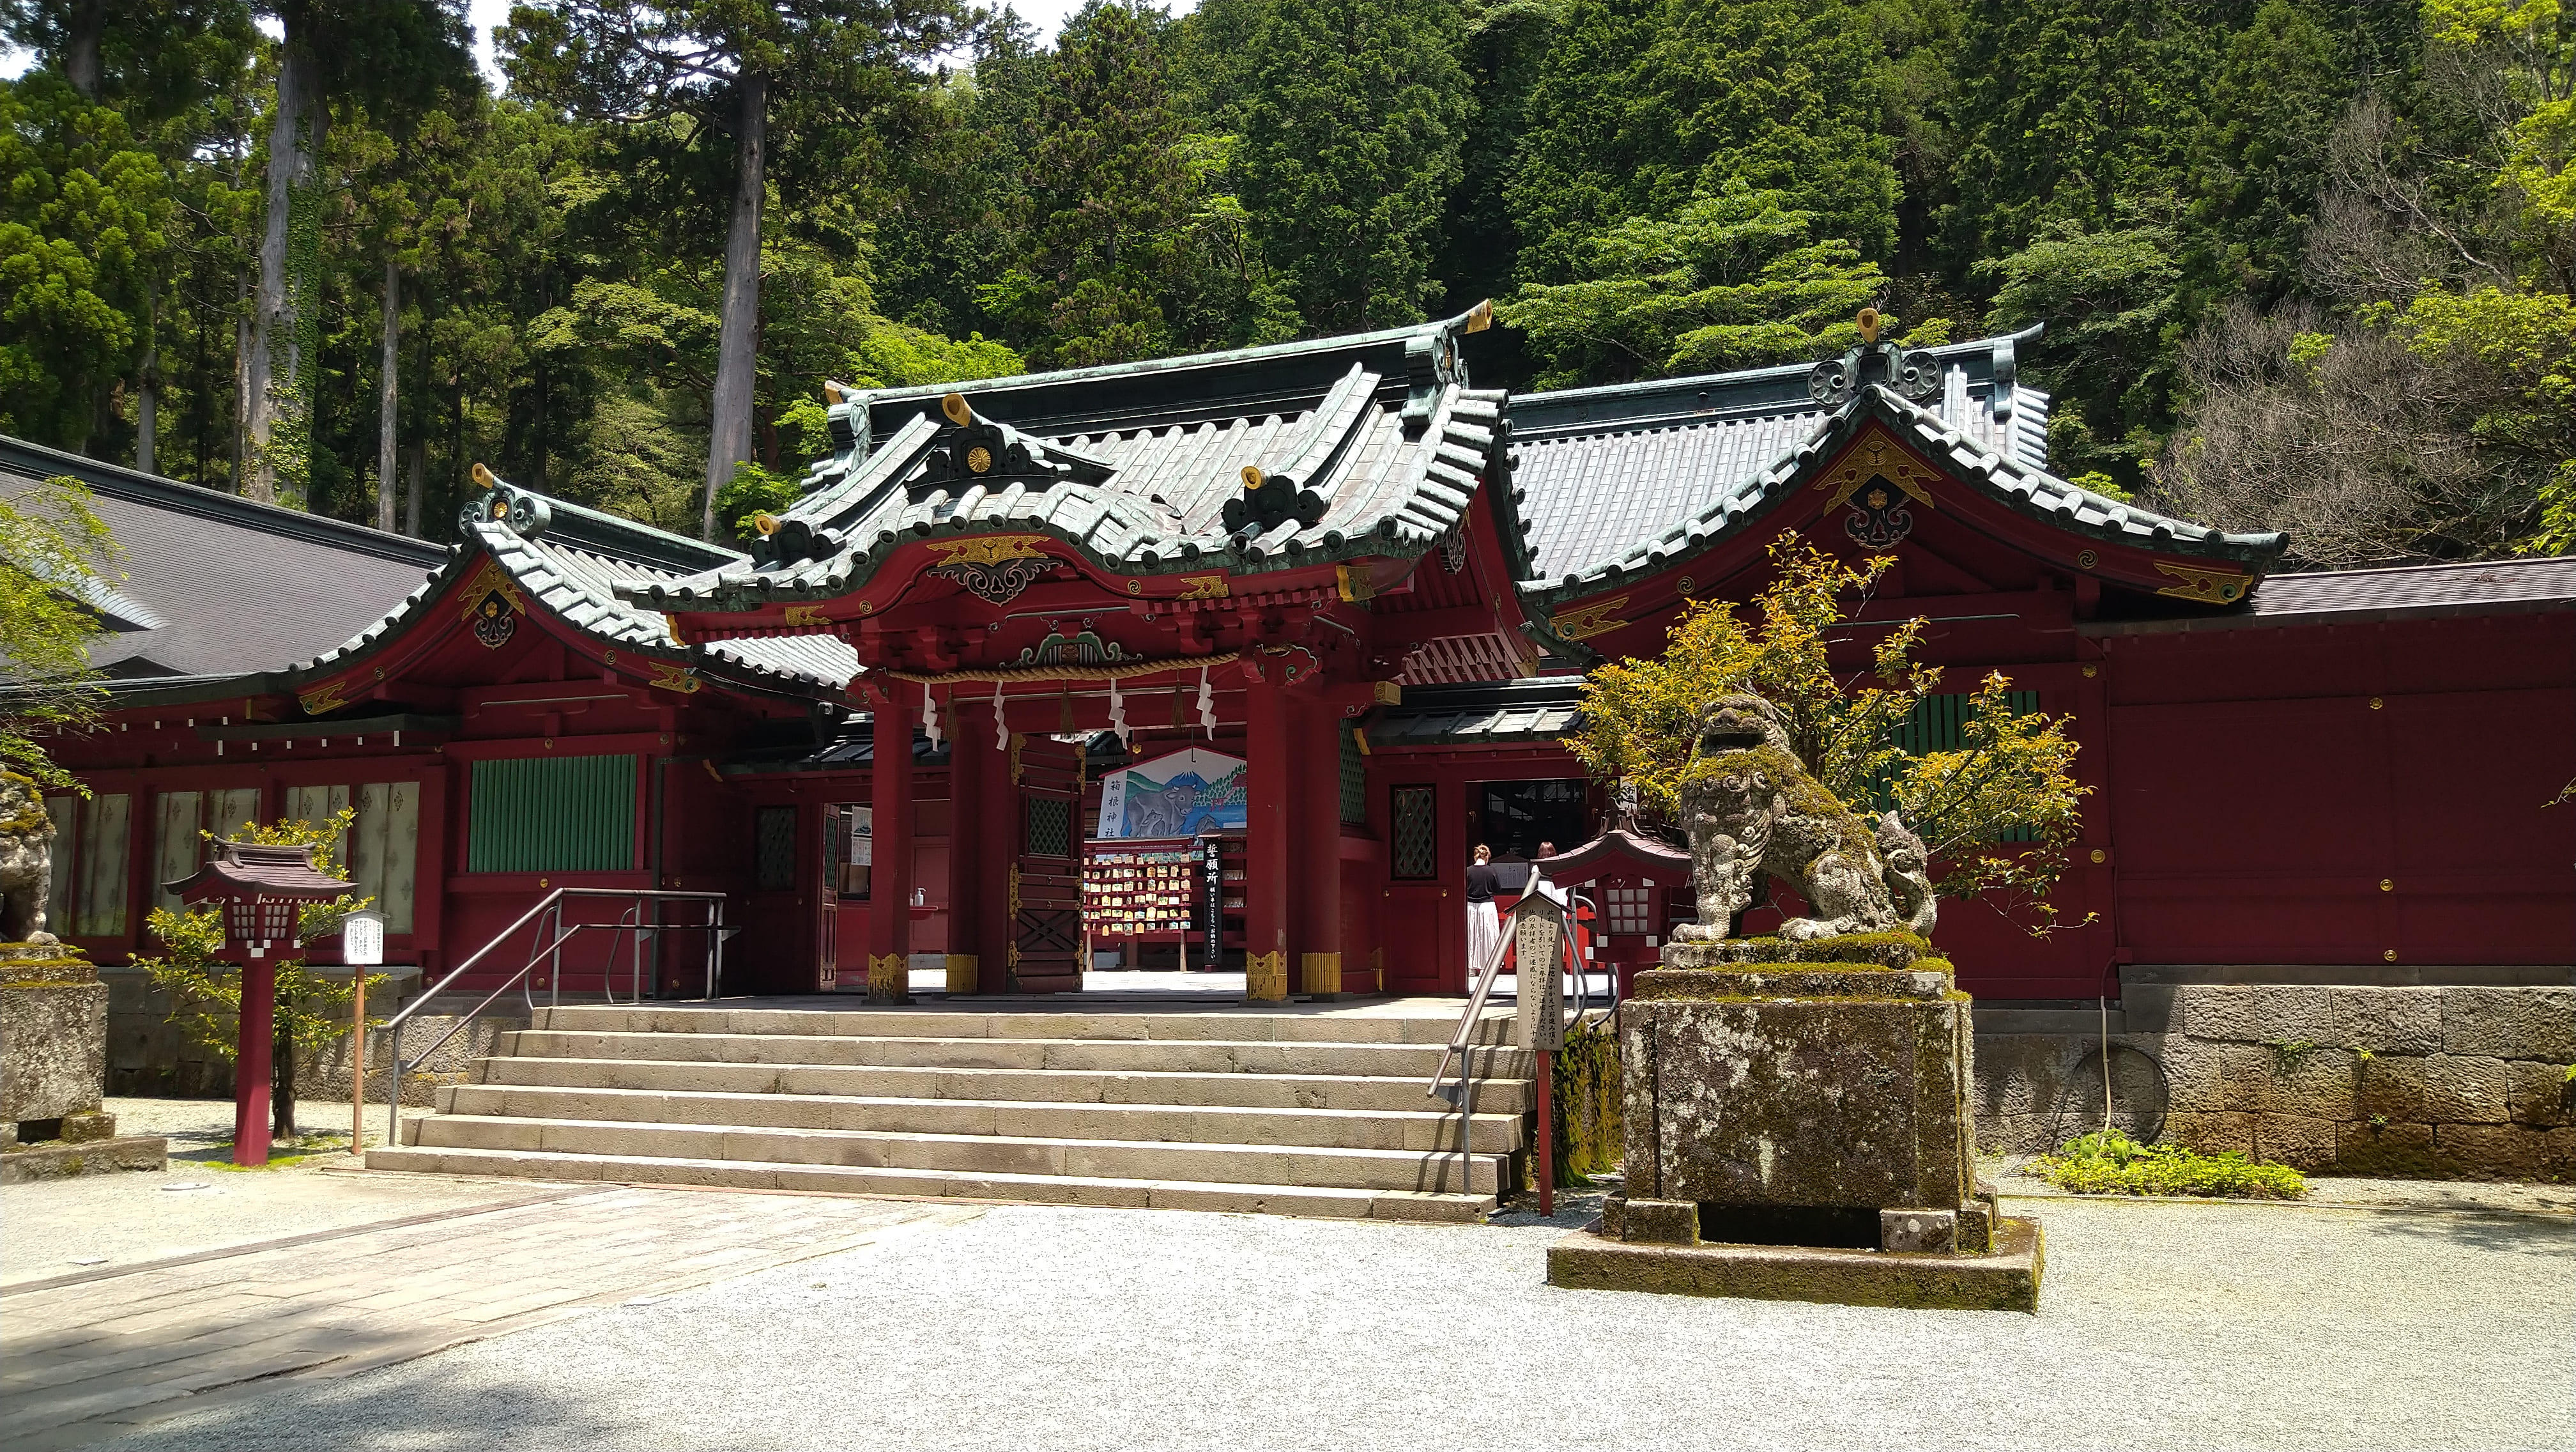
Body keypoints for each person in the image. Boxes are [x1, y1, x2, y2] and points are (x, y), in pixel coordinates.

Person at [1465, 844, 1501, 982]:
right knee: (1487, 936)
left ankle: (1471, 968)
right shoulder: (1491, 871)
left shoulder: (1467, 871)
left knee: (1471, 936)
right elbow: (1498, 888)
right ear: (1487, 857)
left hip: (1470, 906)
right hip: (1487, 906)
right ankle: (1486, 967)